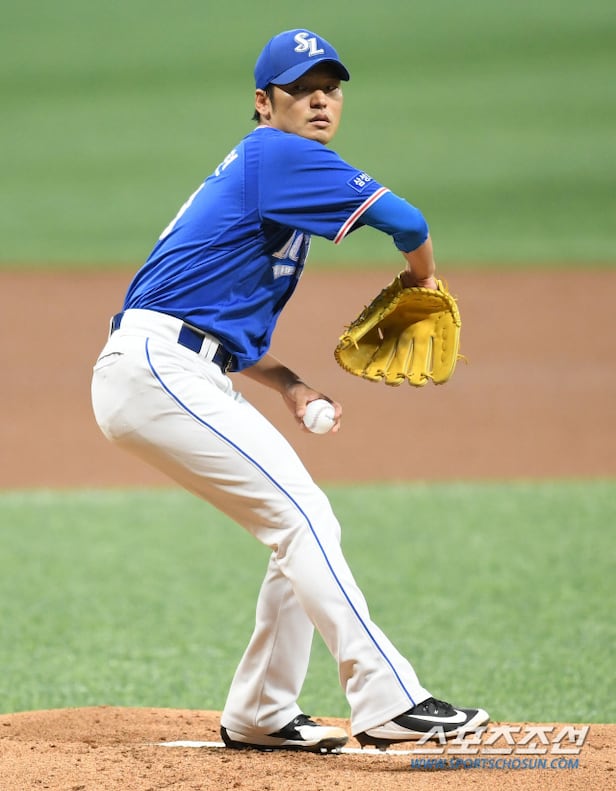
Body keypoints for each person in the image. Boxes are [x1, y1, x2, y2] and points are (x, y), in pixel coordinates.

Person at [91, 28, 489, 752]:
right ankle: (389, 699)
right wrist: (424, 281)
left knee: (299, 521)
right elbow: (409, 221)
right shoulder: (279, 155)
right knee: (301, 515)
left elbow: (213, 322)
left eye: (330, 88)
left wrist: (289, 384)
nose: (319, 101)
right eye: (301, 89)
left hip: (166, 368)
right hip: (158, 370)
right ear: (263, 102)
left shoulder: (270, 173)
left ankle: (260, 712)